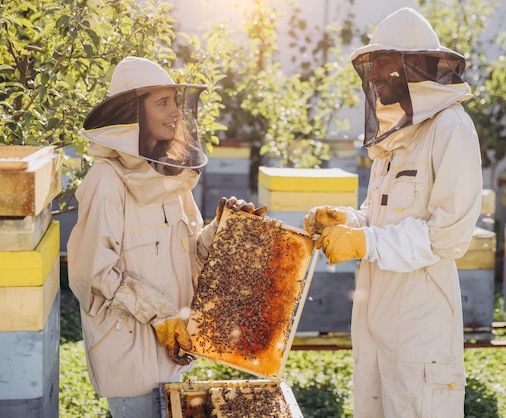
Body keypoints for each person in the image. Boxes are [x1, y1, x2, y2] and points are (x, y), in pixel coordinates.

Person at [303, 8, 482, 418]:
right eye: (373, 63)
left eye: (384, 61)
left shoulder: (450, 128)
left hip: (421, 328)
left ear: (414, 64)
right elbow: (379, 219)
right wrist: (347, 220)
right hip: (375, 323)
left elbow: (448, 235)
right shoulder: (396, 137)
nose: (375, 73)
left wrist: (363, 240)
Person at [67, 56, 262, 417]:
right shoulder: (106, 182)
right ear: (132, 115)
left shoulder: (171, 179)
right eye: (163, 102)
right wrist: (159, 314)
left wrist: (223, 228)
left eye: (175, 100)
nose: (175, 112)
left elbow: (190, 254)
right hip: (129, 362)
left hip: (175, 355)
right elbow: (90, 275)